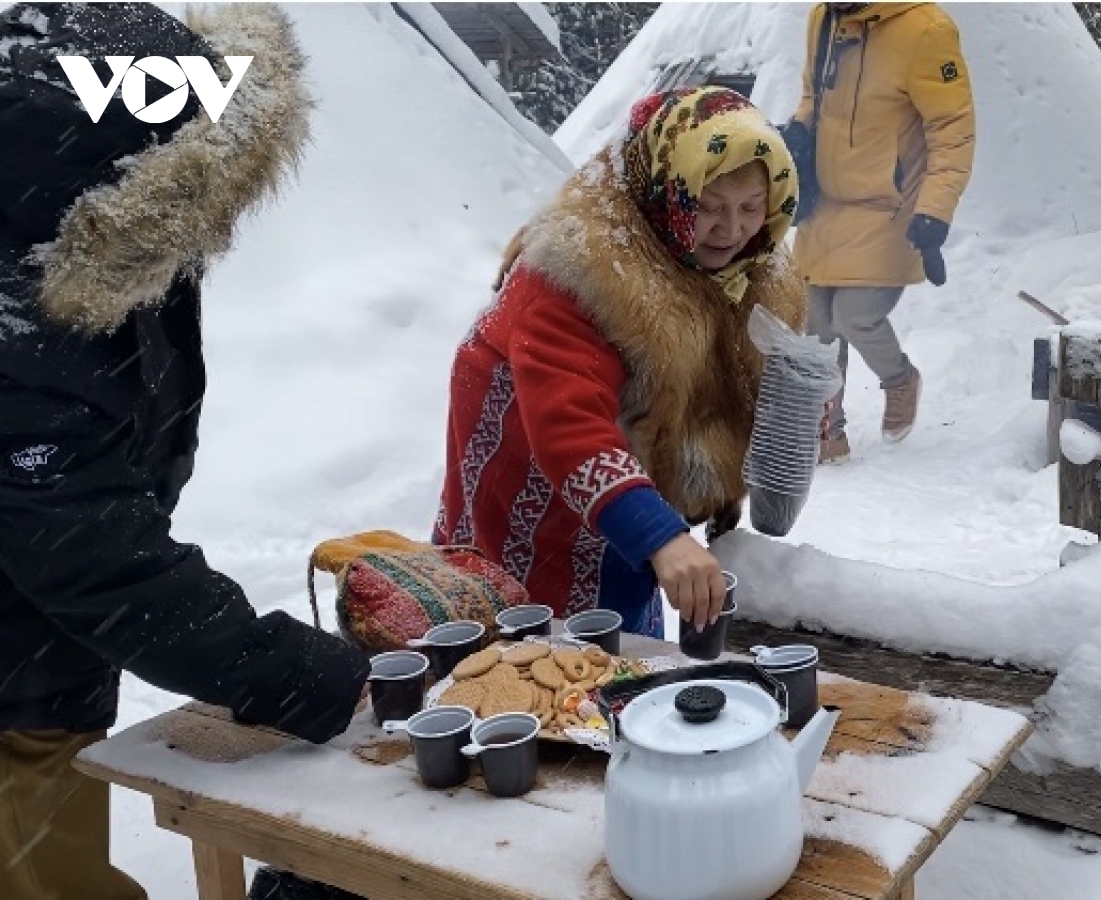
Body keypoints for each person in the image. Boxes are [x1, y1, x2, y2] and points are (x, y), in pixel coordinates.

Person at [0, 5, 371, 898]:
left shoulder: (85, 258)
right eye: (196, 190)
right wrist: (298, 675)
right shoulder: (22, 341)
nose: (211, 224)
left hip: (43, 660)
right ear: (121, 182)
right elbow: (103, 564)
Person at [436, 86, 807, 636]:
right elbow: (571, 426)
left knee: (626, 606)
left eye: (752, 208)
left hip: (626, 453)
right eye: (710, 208)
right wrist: (659, 534)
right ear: (669, 189)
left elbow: (727, 376)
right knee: (530, 629)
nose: (732, 230)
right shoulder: (579, 270)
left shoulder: (745, 261)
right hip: (529, 455)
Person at [780, 2, 976, 464]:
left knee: (855, 315)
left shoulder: (926, 30)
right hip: (825, 199)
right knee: (815, 324)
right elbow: (812, 93)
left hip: (890, 205)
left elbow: (953, 130)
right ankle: (826, 434)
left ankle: (900, 380)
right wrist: (798, 132)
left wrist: (935, 210)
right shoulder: (823, 17)